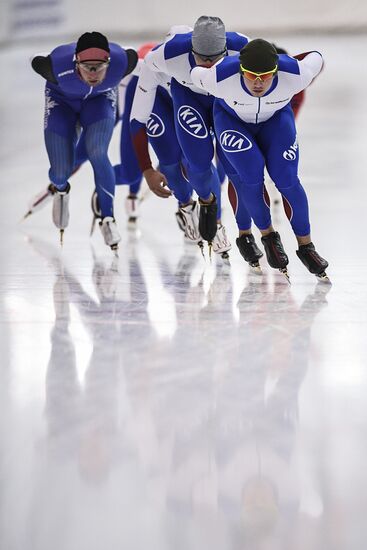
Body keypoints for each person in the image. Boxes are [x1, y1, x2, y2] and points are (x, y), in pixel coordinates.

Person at [191, 38, 329, 281]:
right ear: (240, 69)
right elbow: (194, 72)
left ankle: (306, 247)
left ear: (276, 70)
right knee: (250, 176)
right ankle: (267, 237)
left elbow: (316, 56)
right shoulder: (218, 77)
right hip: (231, 121)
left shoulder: (296, 73)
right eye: (250, 75)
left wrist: (294, 59)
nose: (257, 82)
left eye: (265, 76)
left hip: (275, 120)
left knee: (287, 179)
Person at [144, 17, 261, 260]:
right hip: (176, 99)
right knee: (183, 161)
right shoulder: (166, 55)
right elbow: (140, 99)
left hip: (217, 99)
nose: (207, 65)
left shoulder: (241, 46)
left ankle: (225, 223)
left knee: (228, 166)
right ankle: (192, 205)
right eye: (201, 58)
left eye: (214, 58)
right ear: (189, 49)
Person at [31, 31, 138, 250]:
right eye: (87, 66)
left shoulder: (122, 62)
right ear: (75, 62)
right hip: (62, 102)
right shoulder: (55, 66)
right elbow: (36, 60)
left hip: (100, 101)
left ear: (109, 62)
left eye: (100, 66)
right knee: (60, 171)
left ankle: (108, 218)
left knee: (98, 151)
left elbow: (136, 57)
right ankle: (61, 190)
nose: (93, 73)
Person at [130, 30, 232, 259]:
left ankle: (212, 218)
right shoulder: (153, 63)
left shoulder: (210, 62)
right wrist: (146, 169)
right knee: (169, 159)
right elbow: (137, 121)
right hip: (159, 100)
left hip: (186, 98)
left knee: (197, 160)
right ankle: (187, 206)